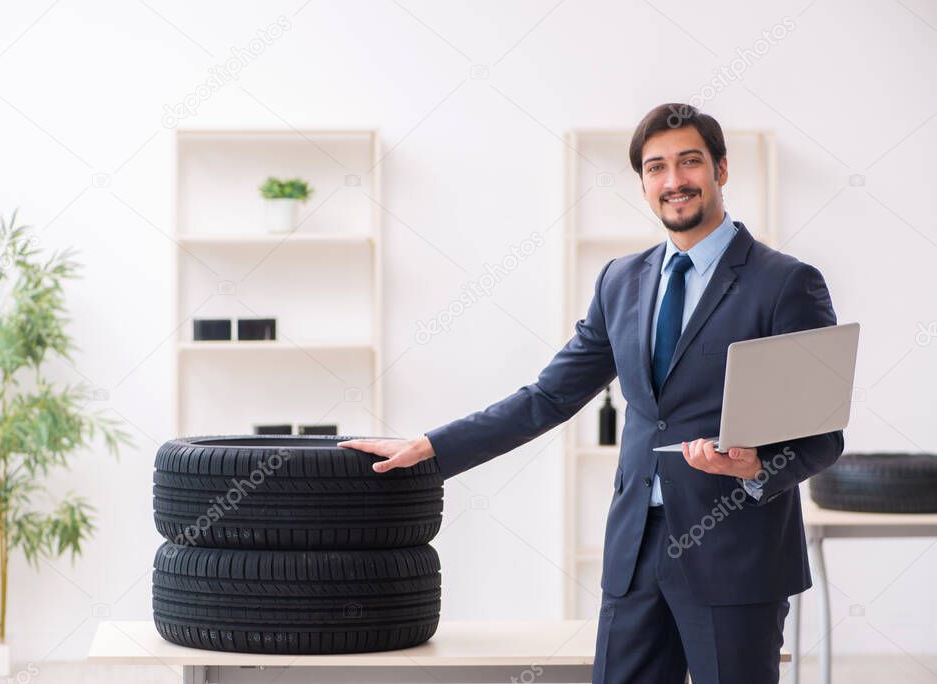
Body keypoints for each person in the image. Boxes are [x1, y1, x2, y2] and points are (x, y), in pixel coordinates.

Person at [338, 102, 843, 684]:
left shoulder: (785, 283)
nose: (674, 181)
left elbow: (823, 435)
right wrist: (431, 446)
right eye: (656, 168)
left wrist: (756, 466)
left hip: (735, 552)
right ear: (643, 183)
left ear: (721, 170)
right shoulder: (620, 281)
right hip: (635, 553)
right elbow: (548, 397)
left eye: (690, 162)